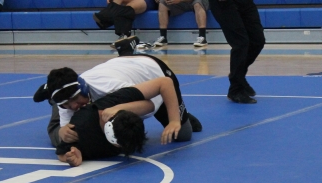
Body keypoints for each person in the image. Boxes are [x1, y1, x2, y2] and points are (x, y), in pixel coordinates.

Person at [34, 48, 202, 148]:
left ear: (83, 88)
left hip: (153, 74)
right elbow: (67, 127)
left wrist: (174, 121)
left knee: (182, 134)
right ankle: (52, 92)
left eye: (75, 100)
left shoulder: (110, 87)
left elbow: (155, 98)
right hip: (122, 74)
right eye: (66, 105)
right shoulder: (68, 104)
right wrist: (63, 132)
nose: (74, 106)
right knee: (63, 138)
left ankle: (182, 113)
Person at [55, 77, 183, 167]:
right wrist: (71, 158)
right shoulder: (81, 126)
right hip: (92, 88)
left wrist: (174, 121)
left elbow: (151, 104)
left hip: (140, 78)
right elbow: (62, 153)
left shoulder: (118, 102)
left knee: (184, 133)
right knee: (58, 132)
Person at [208, 0, 264, 104]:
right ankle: (235, 90)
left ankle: (239, 76)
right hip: (223, 4)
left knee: (258, 41)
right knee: (240, 43)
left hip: (244, 3)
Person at [142, 0, 209, 49]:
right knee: (162, 3)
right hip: (181, 3)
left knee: (198, 3)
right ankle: (163, 37)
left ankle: (202, 37)